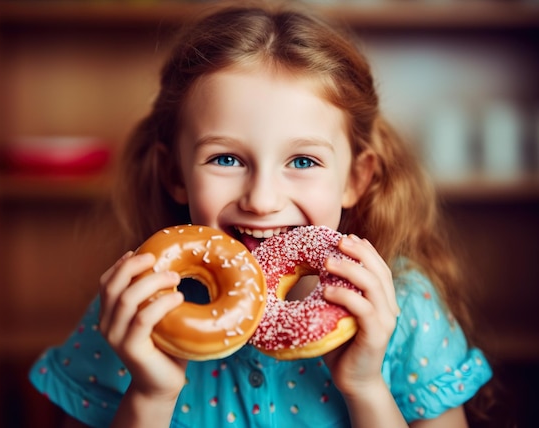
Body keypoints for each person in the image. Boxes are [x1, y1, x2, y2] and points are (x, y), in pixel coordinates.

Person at [29, 2, 492, 427]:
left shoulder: (402, 309)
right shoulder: (134, 313)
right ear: (175, 174)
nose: (262, 199)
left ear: (356, 177)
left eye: (303, 161)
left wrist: (366, 387)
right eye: (226, 159)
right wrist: (150, 394)